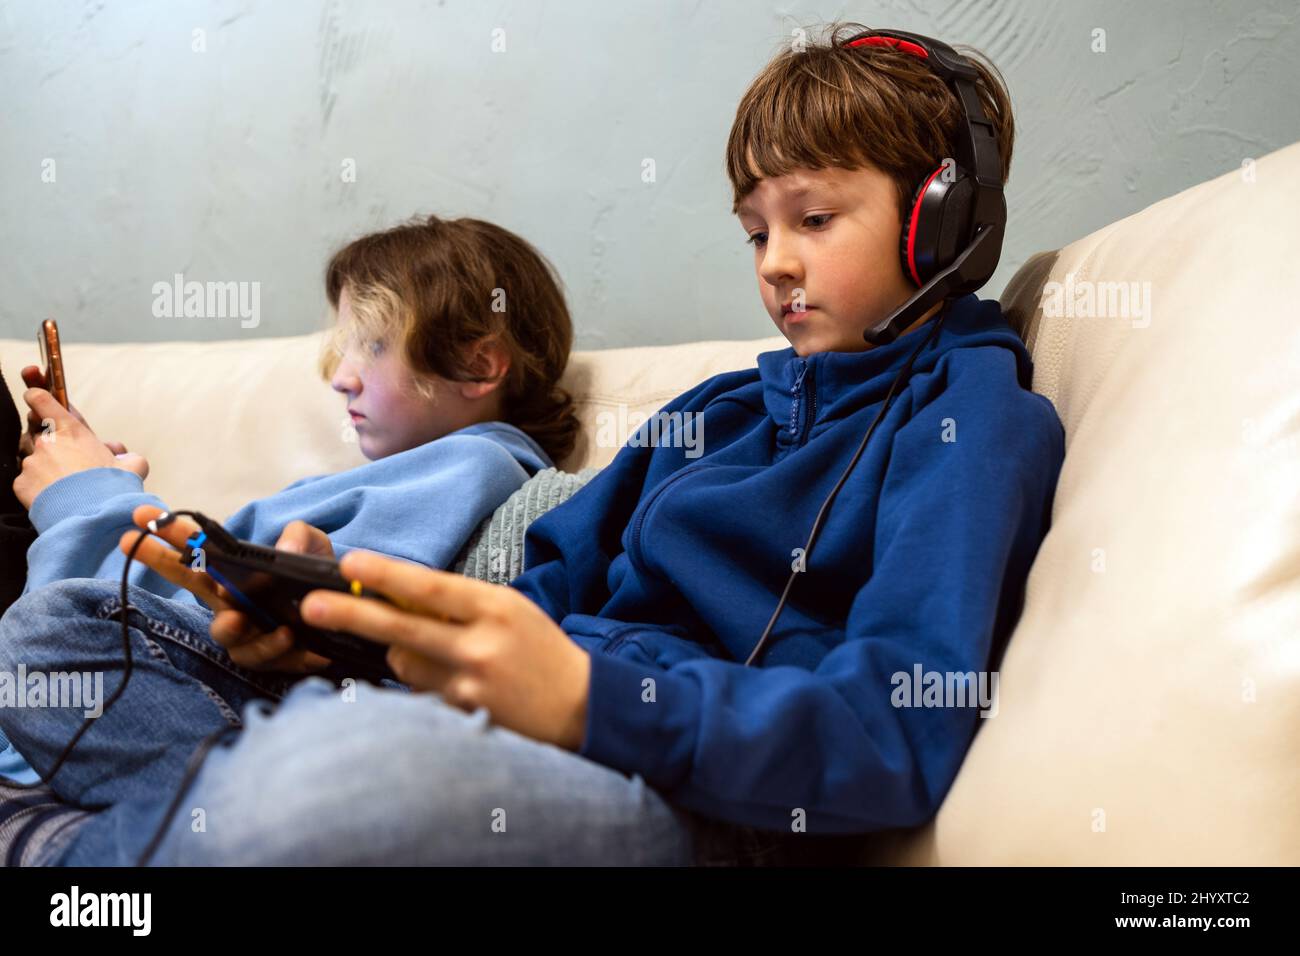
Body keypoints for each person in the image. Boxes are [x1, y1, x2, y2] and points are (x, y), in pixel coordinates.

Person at [0, 23, 1064, 866]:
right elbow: (539, 598)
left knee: (332, 774)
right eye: (754, 229)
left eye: (814, 219)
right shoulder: (722, 409)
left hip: (693, 798)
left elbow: (898, 727)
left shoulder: (966, 420)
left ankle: (91, 840)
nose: (775, 263)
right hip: (509, 733)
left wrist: (589, 698)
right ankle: (201, 812)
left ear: (942, 214)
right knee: (58, 633)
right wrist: (354, 636)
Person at [0, 214, 577, 808]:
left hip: (247, 710)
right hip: (135, 677)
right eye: (344, 347)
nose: (342, 378)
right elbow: (202, 593)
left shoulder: (476, 465)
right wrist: (101, 488)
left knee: (47, 626)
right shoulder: (394, 476)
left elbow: (287, 631)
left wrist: (89, 497)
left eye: (373, 346)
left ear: (479, 364)